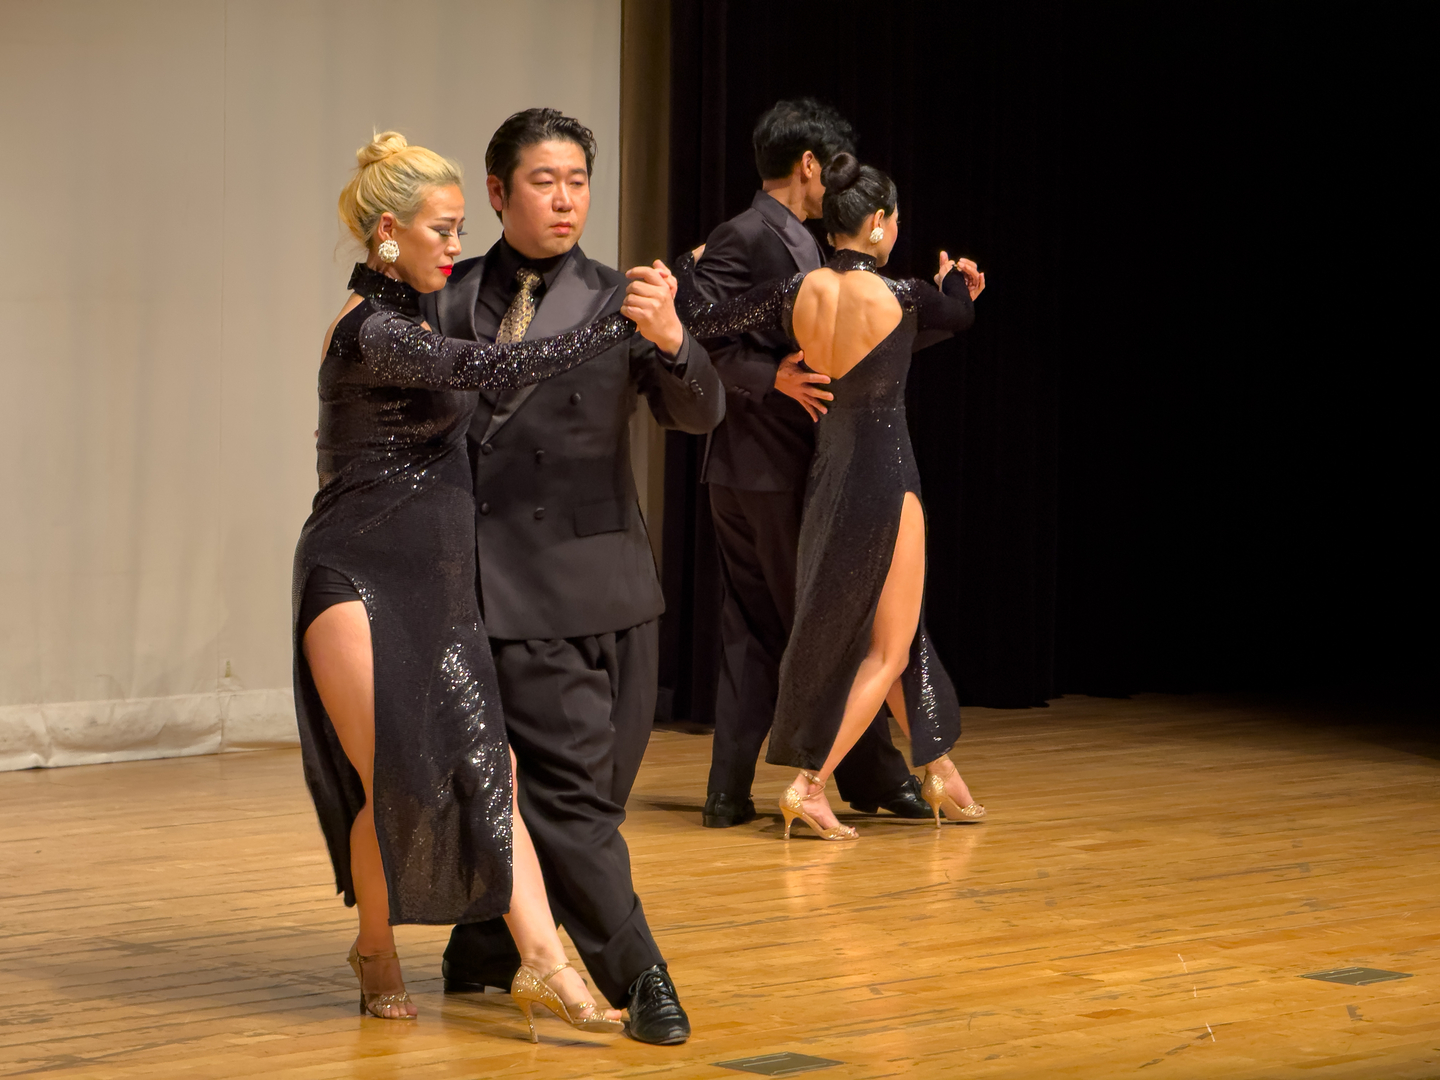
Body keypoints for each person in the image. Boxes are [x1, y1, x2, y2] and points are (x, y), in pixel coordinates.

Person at [293, 132, 673, 1037]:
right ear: (388, 232)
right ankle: (427, 953)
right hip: (356, 577)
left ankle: (518, 961)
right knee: (400, 776)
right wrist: (623, 318)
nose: (456, 246)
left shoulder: (419, 318)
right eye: (443, 229)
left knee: (484, 768)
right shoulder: (375, 331)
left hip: (437, 580)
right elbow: (499, 366)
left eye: (462, 227)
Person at [418, 109, 722, 1046]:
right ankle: (642, 979)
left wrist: (673, 338)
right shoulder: (445, 297)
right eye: (544, 181)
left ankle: (485, 943)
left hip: (617, 587)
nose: (565, 198)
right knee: (570, 800)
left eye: (579, 181)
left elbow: (699, 412)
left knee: (594, 790)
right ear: (499, 192)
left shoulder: (622, 296)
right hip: (503, 587)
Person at [676, 152, 987, 841]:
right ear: (877, 223)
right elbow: (959, 316)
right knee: (892, 649)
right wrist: (958, 282)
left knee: (886, 638)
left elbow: (704, 316)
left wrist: (691, 265)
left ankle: (941, 774)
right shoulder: (903, 295)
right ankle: (809, 787)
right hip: (887, 475)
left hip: (829, 477)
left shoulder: (799, 289)